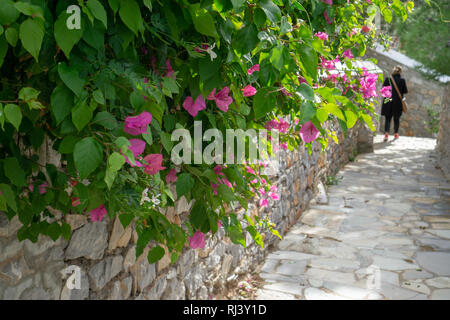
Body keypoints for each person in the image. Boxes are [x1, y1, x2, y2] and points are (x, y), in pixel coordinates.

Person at [381, 66, 408, 141]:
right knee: (396, 119)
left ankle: (386, 133)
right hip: (398, 102)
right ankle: (396, 134)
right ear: (400, 72)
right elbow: (405, 91)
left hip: (388, 101)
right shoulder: (402, 80)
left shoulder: (388, 79)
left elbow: (383, 90)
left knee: (388, 118)